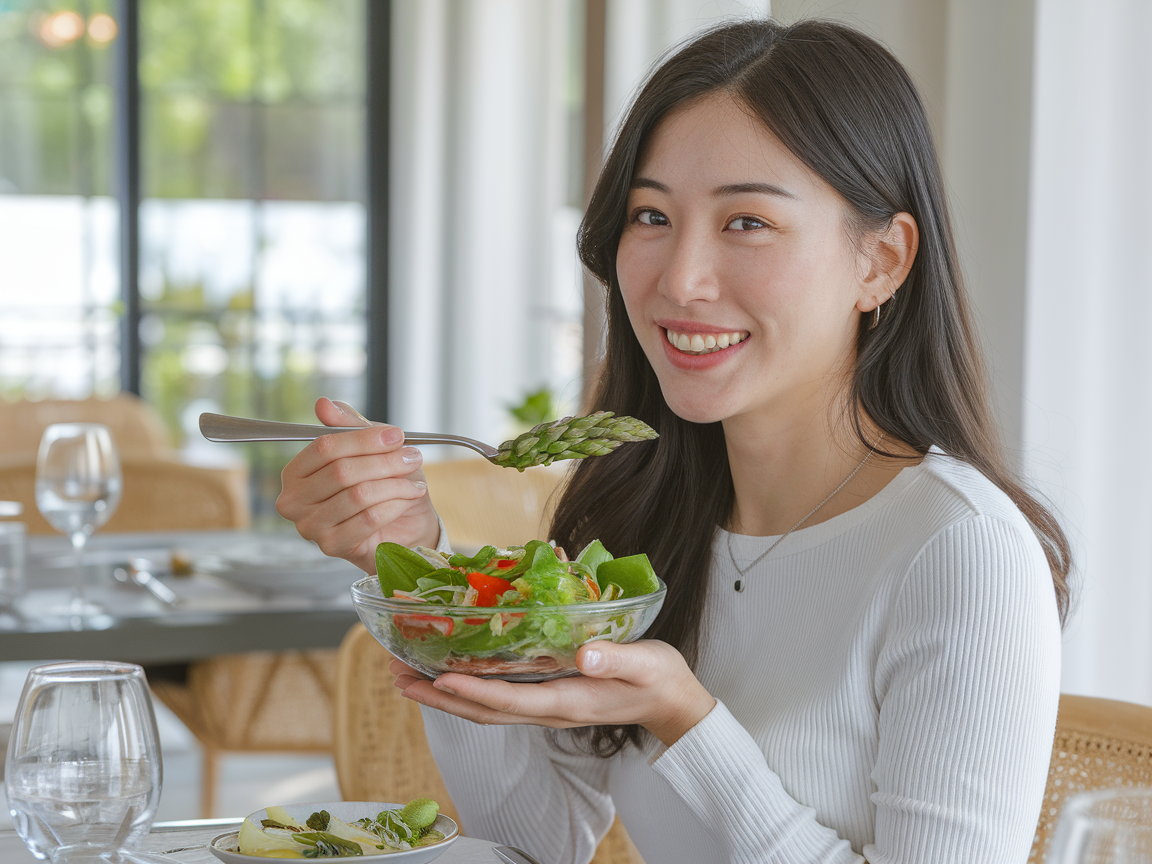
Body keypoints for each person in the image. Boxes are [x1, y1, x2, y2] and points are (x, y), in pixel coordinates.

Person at [276, 18, 1069, 864]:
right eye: (651, 214)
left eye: (747, 223)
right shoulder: (643, 511)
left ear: (880, 261)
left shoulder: (961, 550)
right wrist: (421, 577)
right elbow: (530, 841)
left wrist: (684, 720)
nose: (681, 278)